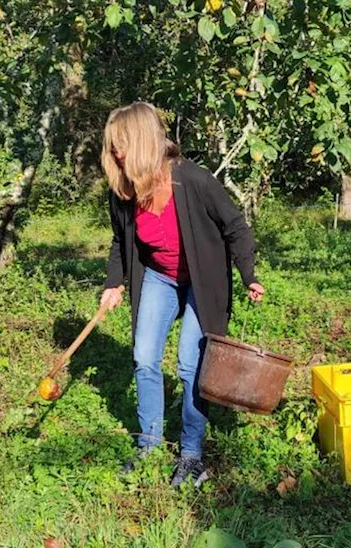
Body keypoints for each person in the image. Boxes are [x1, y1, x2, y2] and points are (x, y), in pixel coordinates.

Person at [99, 102, 265, 488]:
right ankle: (151, 443)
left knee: (190, 364)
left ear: (141, 141)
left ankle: (191, 454)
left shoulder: (193, 180)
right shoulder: (123, 191)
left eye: (120, 144)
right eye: (111, 145)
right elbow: (120, 243)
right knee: (144, 357)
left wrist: (248, 275)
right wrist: (114, 283)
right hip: (159, 277)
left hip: (202, 282)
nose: (115, 153)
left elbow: (235, 227)